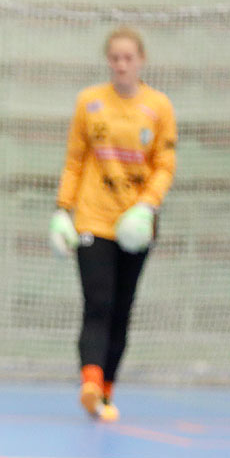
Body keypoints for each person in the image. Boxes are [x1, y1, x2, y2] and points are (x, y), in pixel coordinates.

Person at [48, 26, 176, 422]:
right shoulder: (89, 103)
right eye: (115, 58)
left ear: (141, 61)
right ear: (109, 61)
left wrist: (146, 208)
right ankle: (89, 382)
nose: (122, 64)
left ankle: (106, 391)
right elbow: (75, 160)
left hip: (136, 224)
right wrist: (61, 210)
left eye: (129, 58)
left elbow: (165, 165)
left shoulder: (159, 106)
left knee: (122, 308)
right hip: (94, 219)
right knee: (98, 303)